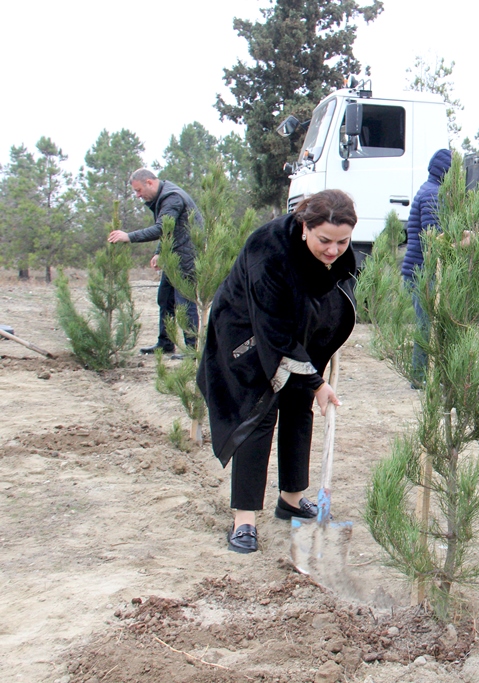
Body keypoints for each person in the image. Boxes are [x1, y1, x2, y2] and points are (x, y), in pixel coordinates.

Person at [197, 190, 358, 554]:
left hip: (295, 330)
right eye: (325, 241)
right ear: (304, 227)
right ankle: (244, 519)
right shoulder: (267, 250)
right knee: (259, 412)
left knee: (299, 406)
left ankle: (291, 499)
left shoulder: (334, 249)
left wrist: (319, 355)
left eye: (343, 242)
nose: (334, 250)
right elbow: (272, 329)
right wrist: (316, 382)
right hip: (248, 332)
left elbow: (331, 289)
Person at [107, 169, 200, 358]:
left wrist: (128, 237)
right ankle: (165, 344)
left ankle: (192, 350)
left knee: (184, 302)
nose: (138, 195)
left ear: (149, 182)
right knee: (165, 299)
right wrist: (159, 252)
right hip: (175, 254)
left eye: (139, 190)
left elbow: (161, 228)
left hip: (187, 256)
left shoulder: (172, 197)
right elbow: (170, 229)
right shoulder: (164, 196)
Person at [400, 148, 453, 386]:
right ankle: (420, 378)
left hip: (417, 269)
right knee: (427, 325)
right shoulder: (434, 193)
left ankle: (424, 375)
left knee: (427, 324)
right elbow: (434, 236)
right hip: (424, 270)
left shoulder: (428, 188)